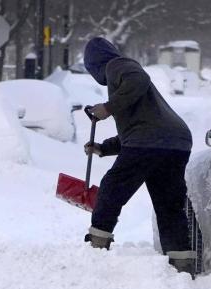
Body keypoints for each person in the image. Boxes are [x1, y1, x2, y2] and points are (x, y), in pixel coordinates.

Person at [82, 37, 196, 275]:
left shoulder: (117, 65)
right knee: (168, 204)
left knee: (112, 187)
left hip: (151, 141)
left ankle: (96, 249)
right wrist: (103, 148)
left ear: (94, 63)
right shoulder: (123, 79)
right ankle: (181, 264)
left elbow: (139, 79)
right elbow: (138, 130)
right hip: (176, 142)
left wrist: (108, 107)